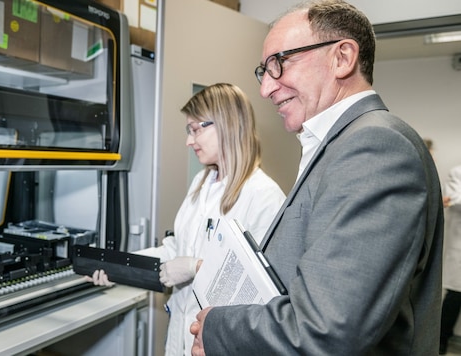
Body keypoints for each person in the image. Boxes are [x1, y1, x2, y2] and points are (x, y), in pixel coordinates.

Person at [189, 1, 444, 355]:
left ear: (342, 57)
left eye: (280, 63)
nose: (266, 89)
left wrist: (218, 327)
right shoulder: (337, 144)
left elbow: (327, 327)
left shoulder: (376, 146)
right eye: (264, 71)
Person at [87, 83, 286, 355]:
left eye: (195, 129)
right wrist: (119, 268)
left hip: (224, 344)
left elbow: (263, 291)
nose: (189, 141)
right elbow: (176, 250)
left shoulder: (264, 196)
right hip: (182, 336)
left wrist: (196, 267)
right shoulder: (202, 182)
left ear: (226, 124)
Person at [440, 165, 461, 354]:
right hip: (459, 247)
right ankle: (441, 342)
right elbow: (454, 199)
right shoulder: (457, 172)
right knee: (455, 298)